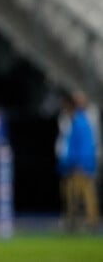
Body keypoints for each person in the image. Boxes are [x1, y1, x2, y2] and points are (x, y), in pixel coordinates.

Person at [56, 90, 100, 231]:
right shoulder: (73, 122)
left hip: (81, 165)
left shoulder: (82, 122)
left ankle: (91, 222)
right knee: (72, 195)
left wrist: (81, 164)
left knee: (85, 194)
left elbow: (85, 145)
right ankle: (74, 222)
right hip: (72, 164)